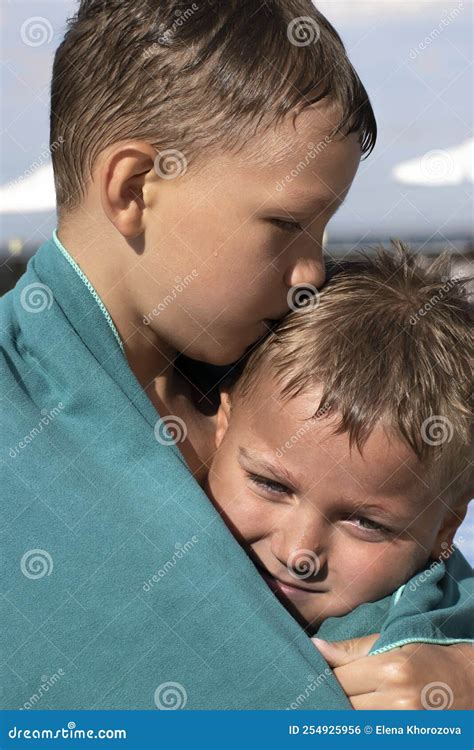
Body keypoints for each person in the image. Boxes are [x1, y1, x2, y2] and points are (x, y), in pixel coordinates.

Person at [0, 0, 471, 710]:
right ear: (132, 188)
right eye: (286, 224)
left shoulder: (295, 368)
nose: (313, 271)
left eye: (323, 229)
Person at [203, 245, 473, 708]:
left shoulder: (415, 659)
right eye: (272, 485)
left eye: (367, 523)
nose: (299, 552)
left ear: (445, 527)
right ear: (220, 428)